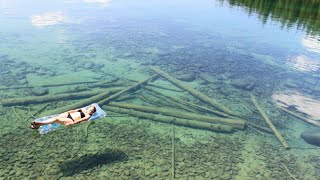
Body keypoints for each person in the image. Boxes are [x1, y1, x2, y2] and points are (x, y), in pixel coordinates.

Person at [30, 105, 96, 129]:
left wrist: (72, 124)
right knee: (55, 118)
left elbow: (80, 121)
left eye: (91, 110)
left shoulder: (87, 116)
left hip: (72, 120)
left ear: (92, 112)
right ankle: (38, 124)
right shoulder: (83, 109)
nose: (90, 110)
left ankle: (39, 124)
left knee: (56, 119)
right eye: (90, 109)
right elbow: (74, 110)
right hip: (68, 115)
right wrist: (67, 112)